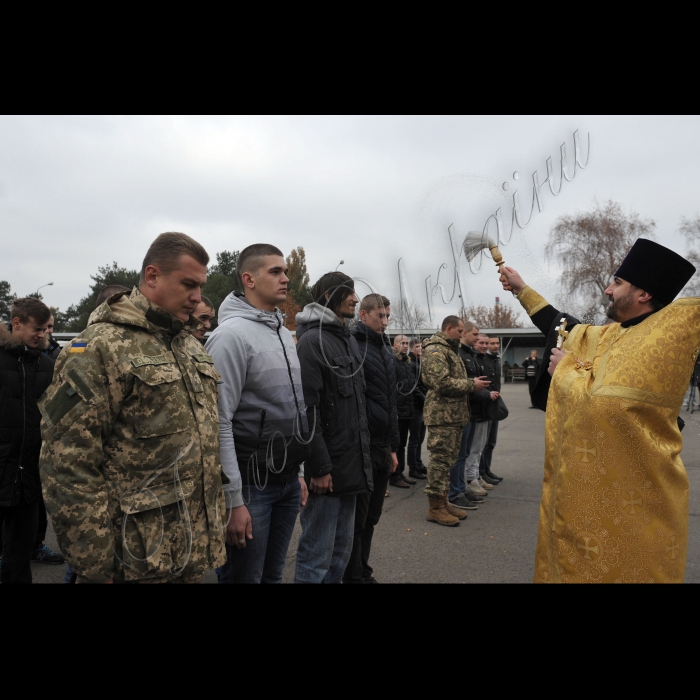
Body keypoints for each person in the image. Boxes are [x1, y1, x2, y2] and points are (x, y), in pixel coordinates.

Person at [500, 237, 699, 583]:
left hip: (635, 502)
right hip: (583, 500)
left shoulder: (667, 335)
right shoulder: (609, 334)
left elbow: (609, 405)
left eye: (617, 282)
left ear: (644, 293)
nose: (607, 290)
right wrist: (521, 289)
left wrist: (566, 369)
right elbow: (562, 326)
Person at [39, 232, 227, 584]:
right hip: (130, 559)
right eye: (189, 284)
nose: (197, 297)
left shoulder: (189, 346)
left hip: (186, 549)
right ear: (153, 276)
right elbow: (67, 466)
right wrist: (96, 565)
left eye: (200, 286)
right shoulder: (98, 347)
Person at [206, 244, 308, 584]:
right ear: (248, 279)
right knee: (243, 578)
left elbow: (296, 408)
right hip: (252, 487)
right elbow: (218, 422)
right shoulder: (230, 337)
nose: (286, 279)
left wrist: (299, 471)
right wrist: (233, 500)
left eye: (286, 272)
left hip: (286, 480)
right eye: (275, 272)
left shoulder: (282, 330)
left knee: (273, 576)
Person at [294, 271, 372, 583]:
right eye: (348, 292)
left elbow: (357, 409)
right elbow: (307, 411)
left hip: (351, 468)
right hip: (327, 473)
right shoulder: (312, 342)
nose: (355, 298)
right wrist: (320, 468)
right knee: (317, 556)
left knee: (340, 554)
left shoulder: (348, 340)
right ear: (329, 296)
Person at [343, 294, 398, 584]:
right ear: (363, 315)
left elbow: (391, 403)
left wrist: (392, 447)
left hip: (381, 447)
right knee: (358, 520)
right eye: (380, 316)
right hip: (362, 449)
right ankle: (352, 576)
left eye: (388, 316)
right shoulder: (354, 346)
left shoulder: (385, 349)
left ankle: (363, 570)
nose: (386, 322)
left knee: (372, 518)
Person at [0, 297, 55, 583]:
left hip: (30, 478)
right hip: (2, 468)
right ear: (17, 323)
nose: (43, 334)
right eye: (38, 329)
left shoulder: (47, 366)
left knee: (19, 560)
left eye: (46, 329)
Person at [421, 315, 490, 526]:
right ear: (448, 328)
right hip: (442, 416)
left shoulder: (449, 350)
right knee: (440, 463)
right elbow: (441, 383)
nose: (462, 335)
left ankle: (443, 502)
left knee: (448, 461)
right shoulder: (436, 350)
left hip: (452, 416)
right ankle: (435, 508)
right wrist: (471, 385)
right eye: (460, 331)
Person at [390, 334, 417, 488]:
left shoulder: (408, 363)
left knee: (402, 444)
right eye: (402, 343)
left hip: (408, 409)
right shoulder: (393, 362)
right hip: (398, 410)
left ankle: (400, 472)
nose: (405, 346)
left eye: (407, 343)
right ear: (395, 345)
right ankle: (394, 475)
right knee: (396, 444)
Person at [479, 336, 504, 484]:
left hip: (495, 405)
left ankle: (486, 469)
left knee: (491, 442)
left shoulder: (496, 360)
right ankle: (481, 472)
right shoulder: (483, 359)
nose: (495, 346)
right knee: (484, 442)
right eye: (492, 343)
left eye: (497, 343)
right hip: (485, 404)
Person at [407, 338, 428, 480]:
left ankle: (418, 463)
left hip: (423, 406)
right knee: (414, 439)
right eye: (417, 347)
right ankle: (413, 467)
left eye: (421, 346)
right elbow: (414, 387)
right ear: (411, 348)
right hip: (416, 406)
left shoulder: (421, 363)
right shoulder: (411, 363)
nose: (420, 349)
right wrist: (426, 399)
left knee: (420, 438)